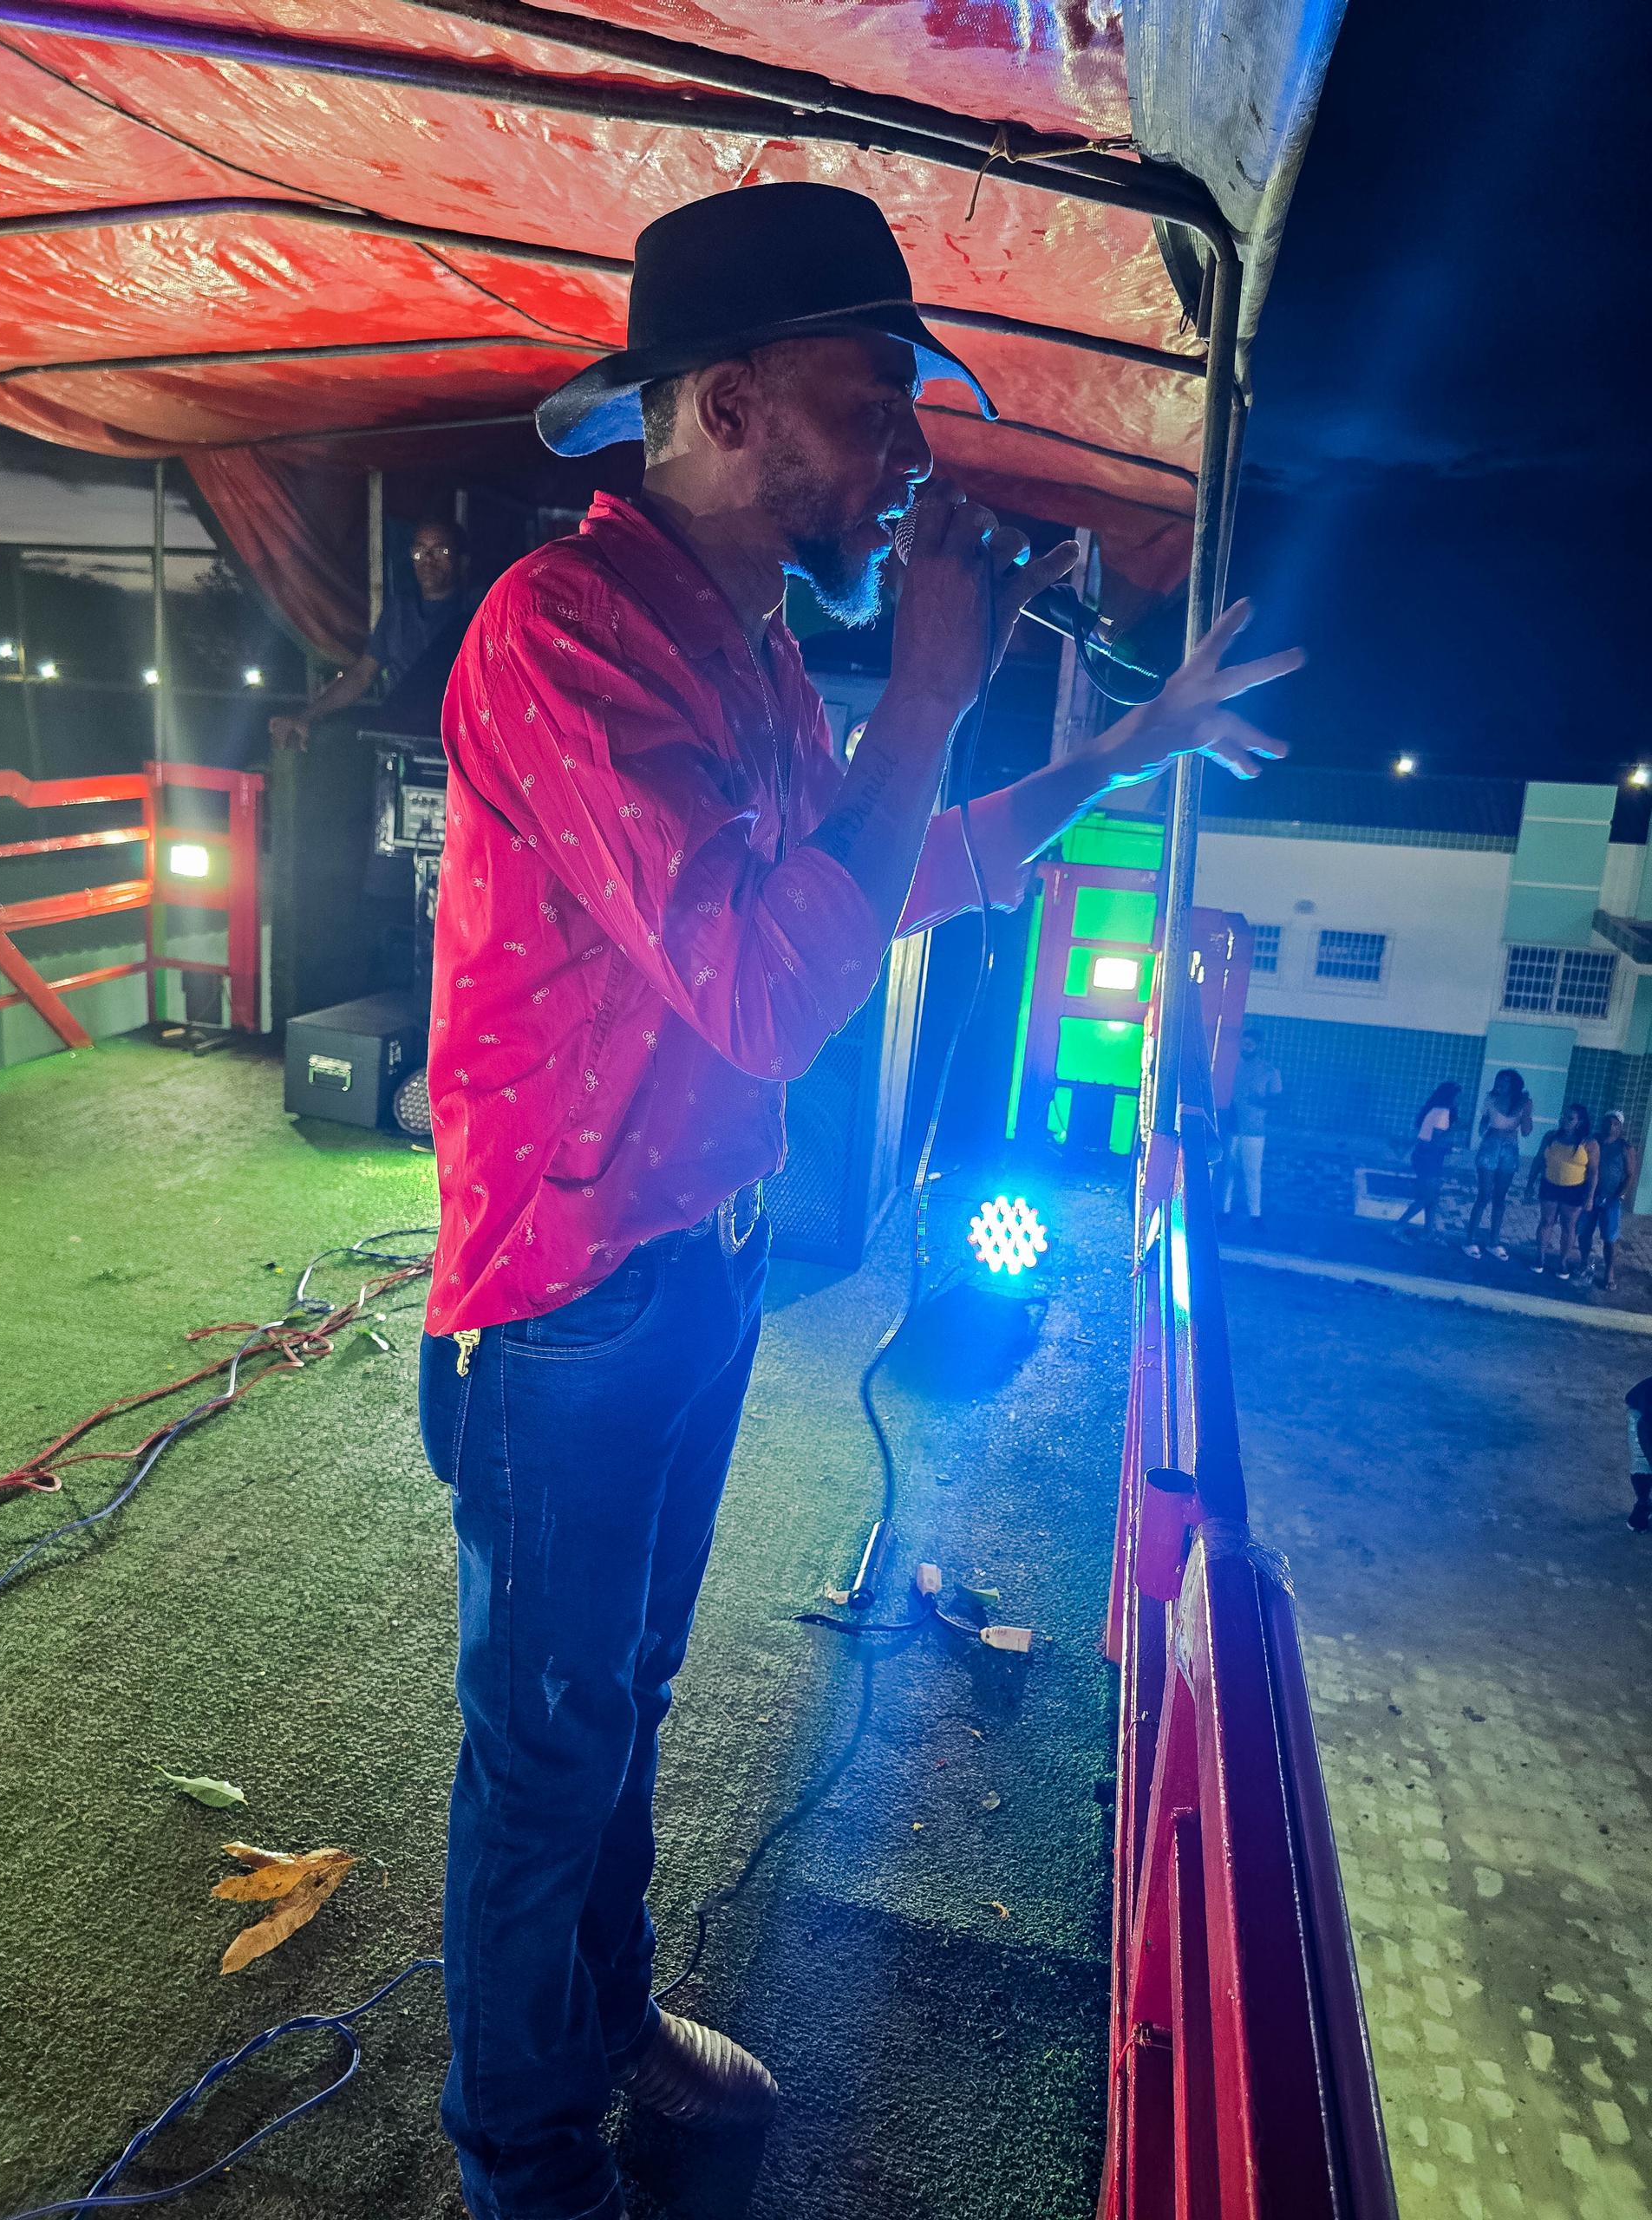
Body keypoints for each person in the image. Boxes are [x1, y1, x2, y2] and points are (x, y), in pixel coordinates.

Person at [415, 181, 1301, 2220]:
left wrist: (1125, 742)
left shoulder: (735, 646)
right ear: (732, 408)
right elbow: (763, 991)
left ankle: (604, 2025)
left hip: (691, 1268)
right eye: (868, 398)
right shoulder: (561, 629)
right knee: (543, 1761)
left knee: (622, 1707)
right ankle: (525, 2167)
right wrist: (921, 694)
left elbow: (891, 875)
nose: (910, 450)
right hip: (563, 1298)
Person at [268, 516, 478, 749]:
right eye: (419, 551)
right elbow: (362, 675)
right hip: (400, 741)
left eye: (440, 551)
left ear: (462, 561)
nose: (427, 560)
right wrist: (306, 716)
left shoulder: (478, 613)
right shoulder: (398, 611)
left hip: (459, 744)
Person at [1462, 1066, 1533, 1260]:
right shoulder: (1491, 1099)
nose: (1500, 1083)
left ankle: (1493, 1243)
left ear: (1514, 1084)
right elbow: (1482, 1126)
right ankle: (1469, 1240)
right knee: (1484, 1195)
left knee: (1500, 1198)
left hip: (1510, 1150)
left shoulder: (1524, 1102)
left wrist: (1526, 1112)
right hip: (1490, 1147)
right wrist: (1485, 1126)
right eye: (1499, 1079)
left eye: (1506, 1080)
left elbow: (1526, 1132)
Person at [1525, 1100, 1597, 1281]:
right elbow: (1538, 1160)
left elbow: (1593, 1172)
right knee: (1546, 1222)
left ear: (1579, 1122)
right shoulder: (1551, 1137)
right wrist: (1530, 1184)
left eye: (1570, 1118)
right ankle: (1540, 1257)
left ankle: (1563, 1261)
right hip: (1550, 1185)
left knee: (1568, 1226)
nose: (1564, 1120)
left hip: (1574, 1190)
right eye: (1563, 1116)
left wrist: (1590, 1197)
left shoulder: (1589, 1144)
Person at [1220, 1025, 1283, 1228]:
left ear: (1258, 1046)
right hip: (1231, 1128)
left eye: (1250, 1044)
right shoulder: (1230, 1066)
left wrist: (1259, 1101)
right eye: (1244, 1044)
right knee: (1227, 1172)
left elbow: (1278, 1101)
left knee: (1252, 1173)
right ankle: (1223, 1212)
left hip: (1254, 1131)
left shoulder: (1268, 1071)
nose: (1246, 1047)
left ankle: (1255, 1216)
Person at [1393, 1080, 1460, 1240]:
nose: (1460, 1100)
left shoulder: (1434, 1110)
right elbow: (1436, 1141)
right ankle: (1397, 1228)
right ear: (1451, 1097)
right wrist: (1453, 1141)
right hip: (1429, 1158)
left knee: (1433, 1196)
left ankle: (1428, 1232)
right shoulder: (1443, 1113)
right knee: (1426, 1197)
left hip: (1423, 1155)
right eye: (1459, 1097)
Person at [1579, 1108, 1637, 1290]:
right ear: (1602, 1123)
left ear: (1620, 1128)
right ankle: (1583, 1263)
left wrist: (1618, 1196)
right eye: (1608, 1122)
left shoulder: (1625, 1148)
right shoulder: (1592, 1140)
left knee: (1610, 1239)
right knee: (1584, 1233)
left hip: (1611, 1200)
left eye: (1615, 1124)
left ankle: (1609, 1273)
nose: (1611, 1127)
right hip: (1590, 1196)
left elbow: (1630, 1175)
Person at [1626, 1377, 1652, 1532]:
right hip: (1641, 1409)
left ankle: (1643, 1504)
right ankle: (1643, 1504)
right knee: (1642, 1464)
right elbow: (1645, 1427)